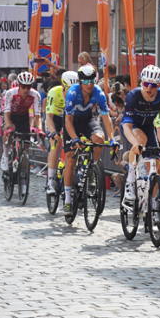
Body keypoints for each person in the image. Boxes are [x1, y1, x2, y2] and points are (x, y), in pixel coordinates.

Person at [121, 65, 160, 216]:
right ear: (141, 82)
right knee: (140, 140)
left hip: (149, 127)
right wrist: (135, 144)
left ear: (159, 85)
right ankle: (130, 183)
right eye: (145, 84)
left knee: (156, 168)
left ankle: (154, 204)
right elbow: (127, 126)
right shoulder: (133, 96)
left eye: (153, 85)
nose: (149, 88)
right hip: (132, 126)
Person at [61, 65, 118, 214]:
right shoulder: (73, 92)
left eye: (92, 80)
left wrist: (111, 139)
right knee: (71, 159)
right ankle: (67, 199)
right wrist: (74, 139)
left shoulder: (99, 93)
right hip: (71, 123)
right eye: (86, 81)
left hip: (87, 121)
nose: (89, 84)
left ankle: (92, 168)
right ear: (80, 81)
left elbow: (106, 118)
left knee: (99, 138)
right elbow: (68, 120)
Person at [44, 71, 79, 197]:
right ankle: (51, 181)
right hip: (55, 118)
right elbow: (48, 117)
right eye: (69, 89)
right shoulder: (54, 92)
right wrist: (53, 132)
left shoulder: (79, 93)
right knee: (56, 143)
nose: (72, 92)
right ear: (63, 86)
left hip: (70, 118)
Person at [0, 71, 43, 173]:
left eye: (28, 87)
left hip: (23, 117)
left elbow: (37, 116)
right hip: (11, 116)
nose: (26, 90)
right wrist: (8, 126)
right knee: (10, 131)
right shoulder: (11, 93)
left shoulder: (35, 95)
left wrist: (40, 130)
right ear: (19, 85)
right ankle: (5, 155)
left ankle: (23, 180)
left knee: (26, 148)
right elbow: (6, 114)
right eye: (23, 86)